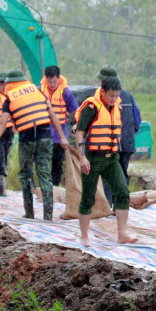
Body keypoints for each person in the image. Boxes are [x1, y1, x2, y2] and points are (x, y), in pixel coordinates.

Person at [0, 69, 67, 220]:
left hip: (27, 140)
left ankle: (29, 213)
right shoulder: (38, 92)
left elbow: (2, 124)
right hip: (45, 139)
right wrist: (62, 138)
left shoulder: (10, 98)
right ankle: (48, 215)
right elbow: (53, 115)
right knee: (45, 176)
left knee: (25, 175)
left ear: (11, 84)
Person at [73, 75, 137, 244]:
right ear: (102, 92)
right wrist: (82, 158)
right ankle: (84, 236)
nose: (114, 99)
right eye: (111, 96)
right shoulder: (92, 107)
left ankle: (122, 234)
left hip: (111, 158)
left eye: (116, 96)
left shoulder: (117, 107)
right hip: (93, 158)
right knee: (88, 197)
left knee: (123, 192)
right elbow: (79, 133)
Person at [96, 66, 140, 202]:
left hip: (110, 145)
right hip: (127, 144)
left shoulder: (102, 97)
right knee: (122, 176)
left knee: (108, 176)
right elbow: (137, 121)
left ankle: (109, 207)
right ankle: (120, 207)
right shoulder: (129, 97)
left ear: (104, 82)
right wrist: (129, 136)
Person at [40, 65, 78, 187]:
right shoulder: (39, 90)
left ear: (59, 78)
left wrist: (75, 124)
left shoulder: (65, 93)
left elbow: (76, 110)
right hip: (44, 133)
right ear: (46, 79)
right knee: (44, 163)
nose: (52, 84)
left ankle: (55, 187)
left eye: (54, 81)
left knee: (57, 163)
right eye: (49, 81)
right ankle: (45, 187)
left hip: (59, 135)